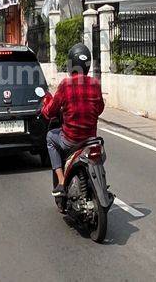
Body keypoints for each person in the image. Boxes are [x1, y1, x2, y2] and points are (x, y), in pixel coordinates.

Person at [41, 43, 105, 197]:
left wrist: (44, 107)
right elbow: (100, 108)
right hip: (91, 139)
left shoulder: (65, 85)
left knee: (50, 137)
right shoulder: (95, 84)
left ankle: (62, 182)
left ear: (71, 64)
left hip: (71, 140)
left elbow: (50, 111)